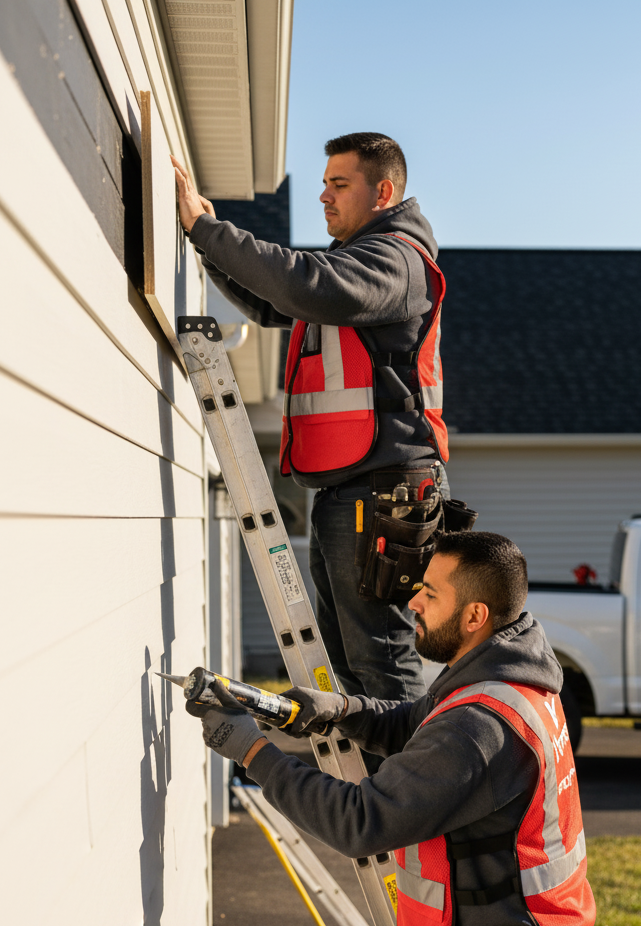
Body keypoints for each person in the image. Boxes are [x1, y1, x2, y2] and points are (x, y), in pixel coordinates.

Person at [187, 532, 596, 925]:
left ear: (475, 616)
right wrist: (342, 710)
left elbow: (359, 821)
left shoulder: (476, 728)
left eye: (430, 594)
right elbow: (417, 721)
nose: (413, 602)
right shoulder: (511, 680)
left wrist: (251, 751)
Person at [173, 133, 449, 703]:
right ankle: (376, 762)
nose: (324, 196)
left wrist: (209, 232)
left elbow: (308, 284)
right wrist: (207, 241)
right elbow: (273, 300)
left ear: (383, 193)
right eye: (324, 183)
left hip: (385, 489)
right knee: (347, 659)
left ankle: (409, 764)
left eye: (339, 184)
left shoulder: (395, 260)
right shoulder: (356, 266)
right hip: (356, 487)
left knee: (380, 657)